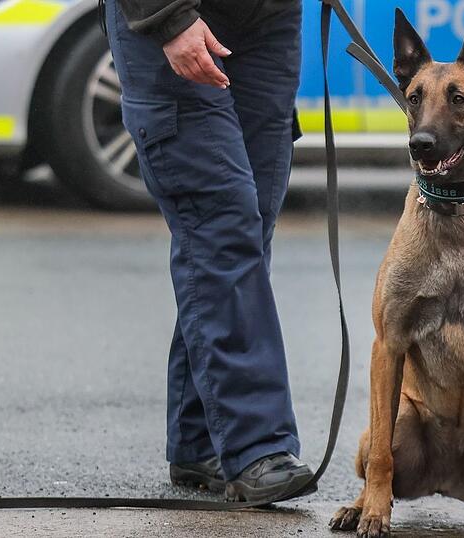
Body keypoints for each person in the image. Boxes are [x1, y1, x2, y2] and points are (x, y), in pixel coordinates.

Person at [104, 0, 312, 502]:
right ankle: (255, 446)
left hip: (269, 21)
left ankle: (198, 440)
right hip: (171, 18)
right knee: (222, 223)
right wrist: (167, 18)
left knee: (249, 231)